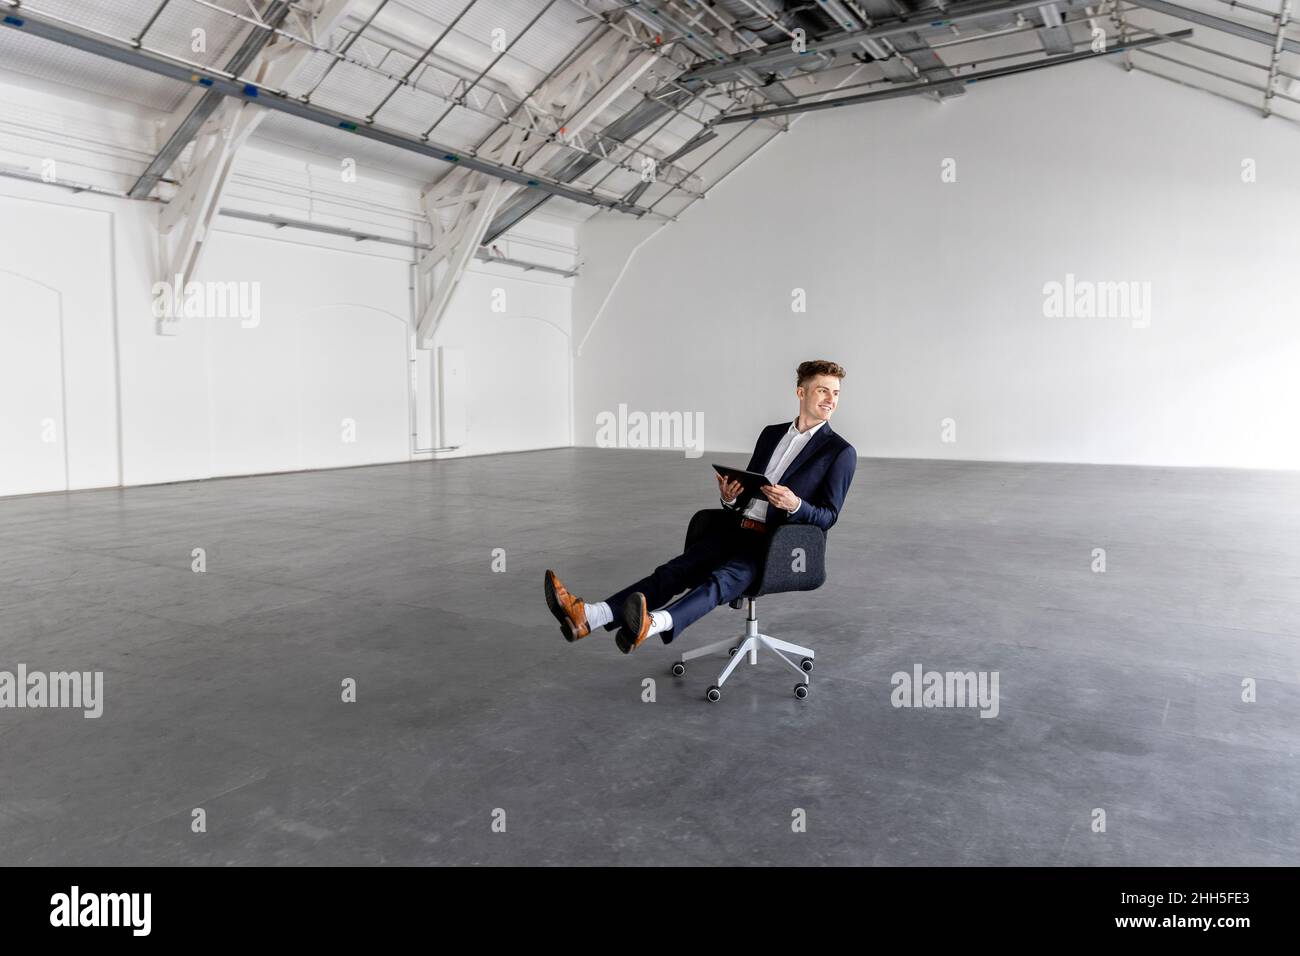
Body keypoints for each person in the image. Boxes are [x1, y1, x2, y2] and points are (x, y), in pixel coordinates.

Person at [545, 359, 856, 653]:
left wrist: (795, 504)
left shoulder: (840, 452)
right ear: (801, 392)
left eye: (836, 393)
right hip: (738, 528)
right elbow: (753, 489)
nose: (831, 399)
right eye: (823, 390)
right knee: (674, 571)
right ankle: (589, 616)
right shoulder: (771, 434)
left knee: (720, 581)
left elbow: (827, 516)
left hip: (779, 545)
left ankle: (653, 624)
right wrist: (731, 497)